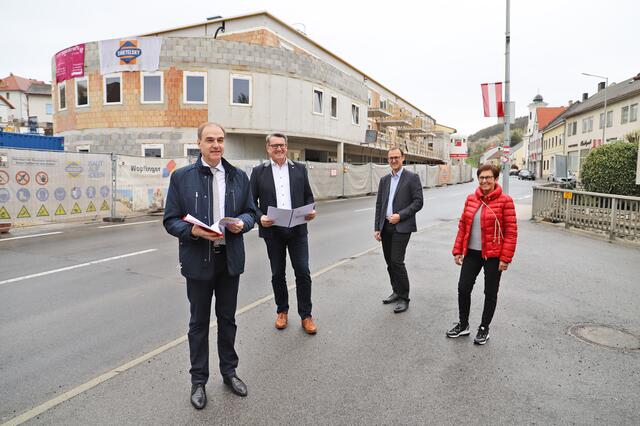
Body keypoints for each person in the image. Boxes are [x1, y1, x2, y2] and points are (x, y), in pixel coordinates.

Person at [163, 122, 256, 409]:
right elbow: (171, 220)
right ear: (199, 143)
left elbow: (252, 212)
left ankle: (229, 373)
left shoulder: (238, 176)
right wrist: (193, 231)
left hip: (229, 260)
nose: (216, 145)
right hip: (198, 260)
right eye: (210, 140)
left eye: (220, 140)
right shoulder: (182, 177)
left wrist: (244, 223)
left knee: (228, 320)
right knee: (198, 324)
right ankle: (198, 381)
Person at [249, 133, 318, 334]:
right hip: (273, 231)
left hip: (297, 229)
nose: (279, 149)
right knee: (277, 274)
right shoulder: (258, 172)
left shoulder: (300, 169)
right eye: (275, 146)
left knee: (303, 272)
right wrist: (260, 217)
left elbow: (308, 195)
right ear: (267, 148)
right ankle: (282, 311)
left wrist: (310, 211)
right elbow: (251, 203)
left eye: (282, 145)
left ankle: (306, 315)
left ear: (286, 147)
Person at [447, 164, 518, 345]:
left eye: (488, 177)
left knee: (490, 292)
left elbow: (511, 232)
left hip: (494, 255)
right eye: (481, 177)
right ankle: (463, 325)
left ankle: (484, 328)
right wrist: (457, 251)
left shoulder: (505, 201)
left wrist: (505, 258)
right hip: (472, 253)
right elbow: (463, 226)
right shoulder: (471, 199)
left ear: (495, 179)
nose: (484, 181)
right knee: (463, 288)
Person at [374, 147, 424, 313]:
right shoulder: (385, 180)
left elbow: (418, 202)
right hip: (386, 226)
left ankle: (404, 297)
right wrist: (377, 227)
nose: (393, 160)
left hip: (402, 226)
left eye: (396, 157)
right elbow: (379, 205)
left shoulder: (412, 178)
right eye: (390, 158)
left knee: (397, 261)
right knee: (389, 263)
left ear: (403, 158)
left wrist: (400, 216)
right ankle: (396, 291)